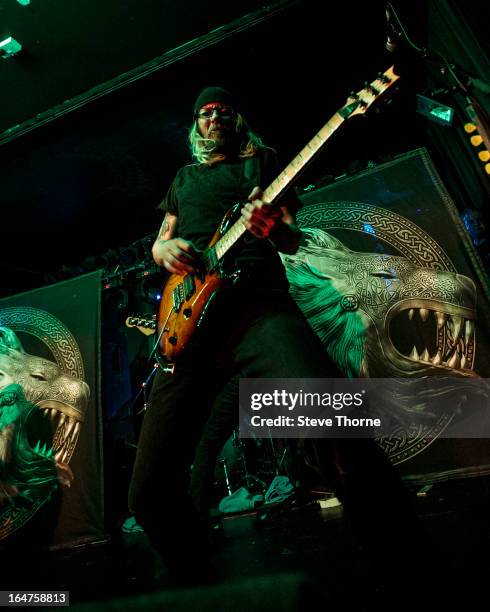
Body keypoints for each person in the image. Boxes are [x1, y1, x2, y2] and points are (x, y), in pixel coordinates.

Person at [128, 86, 430, 591]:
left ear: (237, 121)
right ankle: (199, 586)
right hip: (190, 326)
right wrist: (165, 251)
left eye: (225, 109)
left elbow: (290, 235)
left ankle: (411, 571)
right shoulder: (183, 179)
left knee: (336, 429)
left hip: (258, 309)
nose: (216, 114)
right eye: (206, 111)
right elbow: (163, 238)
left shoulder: (262, 163)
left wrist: (272, 230)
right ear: (196, 127)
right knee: (149, 493)